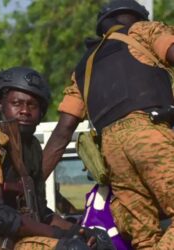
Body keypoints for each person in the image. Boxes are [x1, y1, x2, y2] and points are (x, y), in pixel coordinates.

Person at [0, 66, 113, 250]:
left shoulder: (31, 147)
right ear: (1, 105)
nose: (25, 111)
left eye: (32, 105)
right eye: (17, 103)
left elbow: (42, 214)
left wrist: (80, 231)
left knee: (99, 243)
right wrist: (62, 236)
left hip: (13, 239)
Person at [42, 0, 174, 248]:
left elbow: (62, 132)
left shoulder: (83, 68)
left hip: (113, 154)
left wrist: (32, 186)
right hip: (149, 133)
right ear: (138, 17)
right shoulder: (143, 31)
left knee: (144, 238)